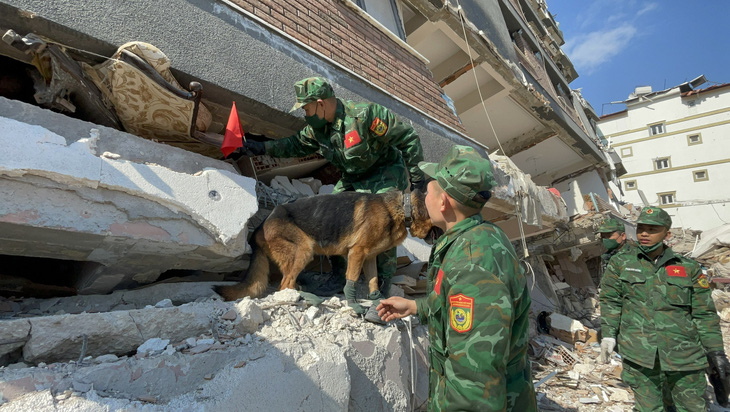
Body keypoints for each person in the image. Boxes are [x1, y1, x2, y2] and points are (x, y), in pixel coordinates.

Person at [241, 76, 426, 319]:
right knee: (337, 218)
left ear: (320, 104)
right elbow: (294, 145)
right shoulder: (317, 130)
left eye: (306, 108)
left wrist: (417, 175)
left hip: (384, 174)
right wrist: (260, 148)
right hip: (353, 177)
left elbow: (407, 138)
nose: (305, 114)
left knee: (384, 224)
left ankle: (381, 286)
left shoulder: (365, 116)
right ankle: (341, 277)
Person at [376, 145, 537, 411]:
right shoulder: (473, 237)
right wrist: (417, 307)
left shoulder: (473, 263)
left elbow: (475, 383)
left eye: (428, 189)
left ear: (444, 202)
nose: (422, 195)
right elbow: (456, 306)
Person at [599, 206, 730, 411]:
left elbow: (704, 313)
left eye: (652, 229)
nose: (644, 233)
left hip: (685, 358)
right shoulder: (620, 263)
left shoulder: (688, 268)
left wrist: (716, 351)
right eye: (641, 228)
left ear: (666, 234)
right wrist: (608, 335)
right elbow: (610, 301)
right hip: (640, 355)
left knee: (692, 408)